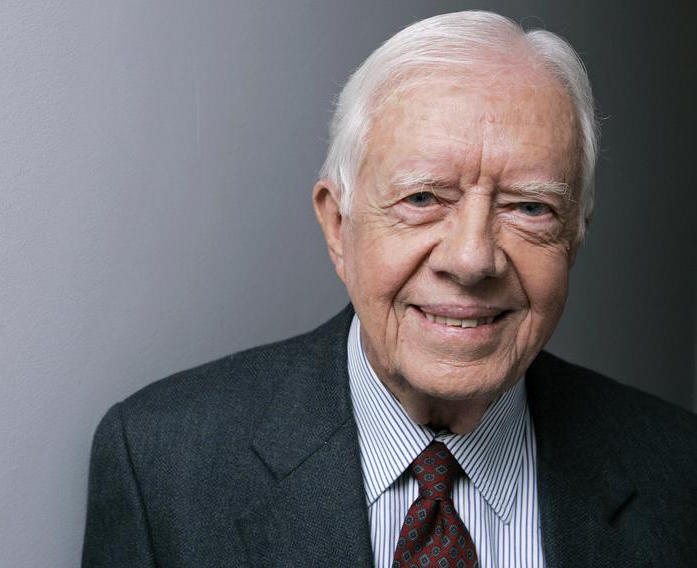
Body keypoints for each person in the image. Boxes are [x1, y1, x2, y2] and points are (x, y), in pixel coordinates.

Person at [82, 11, 697, 567]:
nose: (472, 259)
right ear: (338, 225)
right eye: (423, 198)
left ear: (575, 237)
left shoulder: (679, 470)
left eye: (530, 208)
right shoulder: (160, 466)